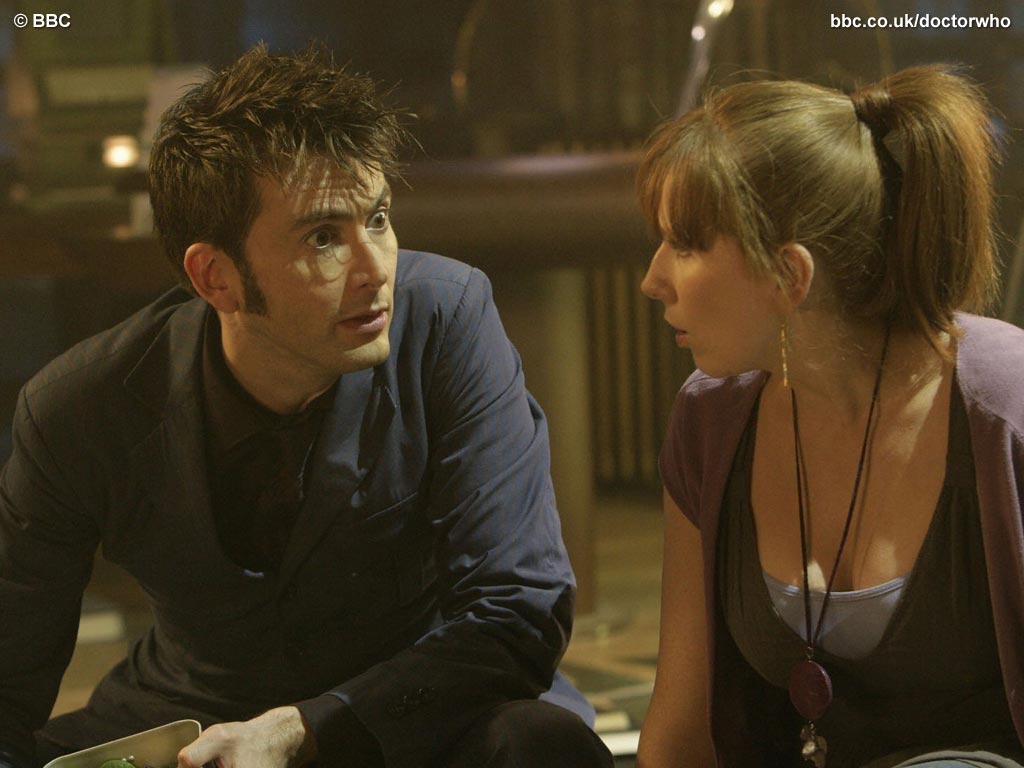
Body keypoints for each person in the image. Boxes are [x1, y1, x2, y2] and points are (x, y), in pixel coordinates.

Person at [0, 45, 614, 768]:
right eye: (324, 238)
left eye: (377, 219)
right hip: (197, 714)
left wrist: (304, 729)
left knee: (540, 744)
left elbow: (519, 612)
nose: (375, 270)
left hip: (416, 708)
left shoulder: (446, 319)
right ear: (216, 277)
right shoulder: (82, 407)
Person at [636, 64, 1024, 768]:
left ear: (790, 275)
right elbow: (681, 726)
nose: (653, 279)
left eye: (685, 246)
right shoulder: (711, 417)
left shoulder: (1006, 408)